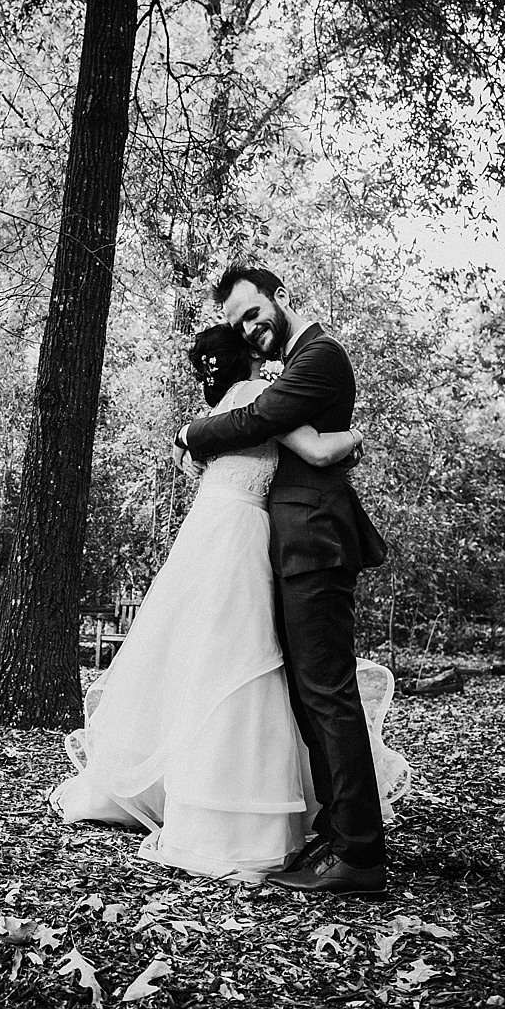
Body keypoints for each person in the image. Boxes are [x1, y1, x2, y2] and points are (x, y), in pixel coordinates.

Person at [52, 319, 409, 884]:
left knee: (204, 663)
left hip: (210, 534)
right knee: (244, 666)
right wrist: (356, 439)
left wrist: (188, 433)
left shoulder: (214, 413)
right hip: (244, 538)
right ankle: (239, 809)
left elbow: (214, 443)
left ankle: (185, 791)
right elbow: (314, 449)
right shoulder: (255, 400)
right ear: (249, 358)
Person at [171, 265, 401, 895]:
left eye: (254, 312)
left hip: (315, 544)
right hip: (294, 545)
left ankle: (360, 853)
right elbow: (286, 428)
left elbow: (258, 418)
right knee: (309, 694)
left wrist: (191, 432)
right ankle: (339, 830)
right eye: (239, 322)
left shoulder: (321, 356)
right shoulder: (296, 360)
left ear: (280, 297)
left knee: (327, 693)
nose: (250, 328)